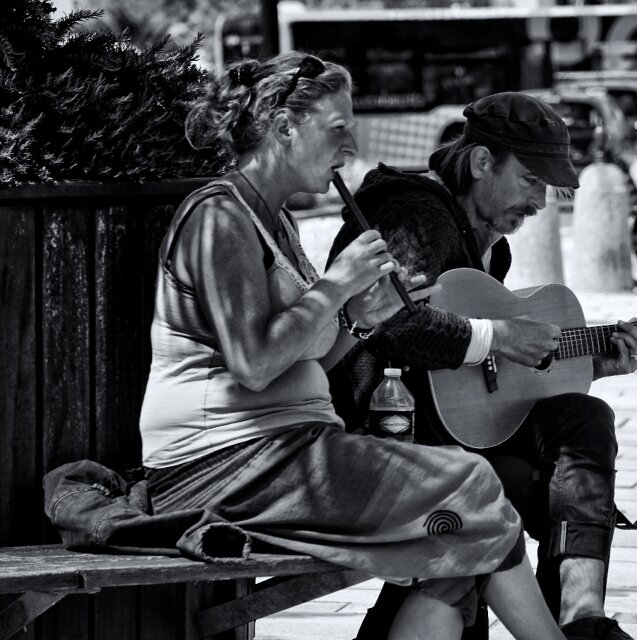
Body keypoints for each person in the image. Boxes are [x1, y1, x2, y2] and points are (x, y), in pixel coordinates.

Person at [138, 54, 569, 640]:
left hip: (283, 451)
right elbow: (254, 363)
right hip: (223, 464)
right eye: (337, 128)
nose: (351, 146)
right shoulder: (220, 218)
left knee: (463, 540)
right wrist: (337, 284)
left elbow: (309, 357)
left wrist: (363, 319)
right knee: (472, 487)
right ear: (284, 127)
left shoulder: (275, 221)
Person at [326, 92, 637, 640]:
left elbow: (484, 382)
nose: (541, 203)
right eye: (531, 181)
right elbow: (396, 327)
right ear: (481, 163)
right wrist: (498, 336)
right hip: (388, 431)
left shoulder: (490, 246)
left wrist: (592, 365)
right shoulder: (414, 213)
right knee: (522, 495)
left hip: (448, 427)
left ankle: (581, 617)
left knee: (583, 419)